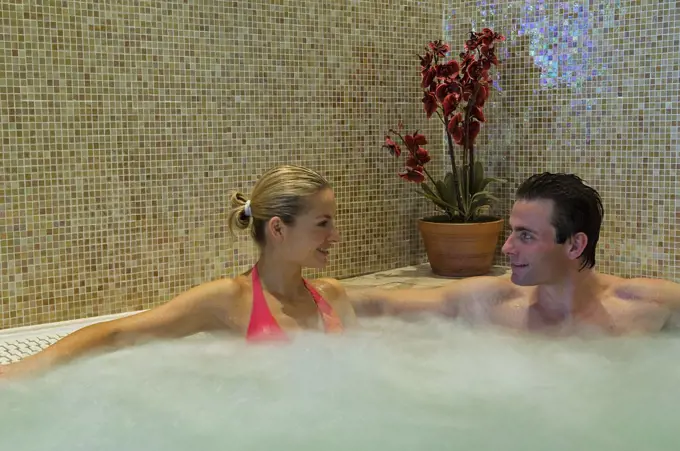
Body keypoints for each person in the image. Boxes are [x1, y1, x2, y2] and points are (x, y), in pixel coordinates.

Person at [0, 165, 358, 379]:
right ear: (278, 229)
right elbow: (118, 333)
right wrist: (23, 370)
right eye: (323, 223)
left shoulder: (332, 296)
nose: (336, 235)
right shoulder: (229, 300)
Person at [348, 172, 680, 335]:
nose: (507, 247)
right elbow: (382, 304)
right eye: (511, 231)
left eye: (525, 235)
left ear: (575, 245)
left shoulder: (647, 306)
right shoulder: (494, 301)